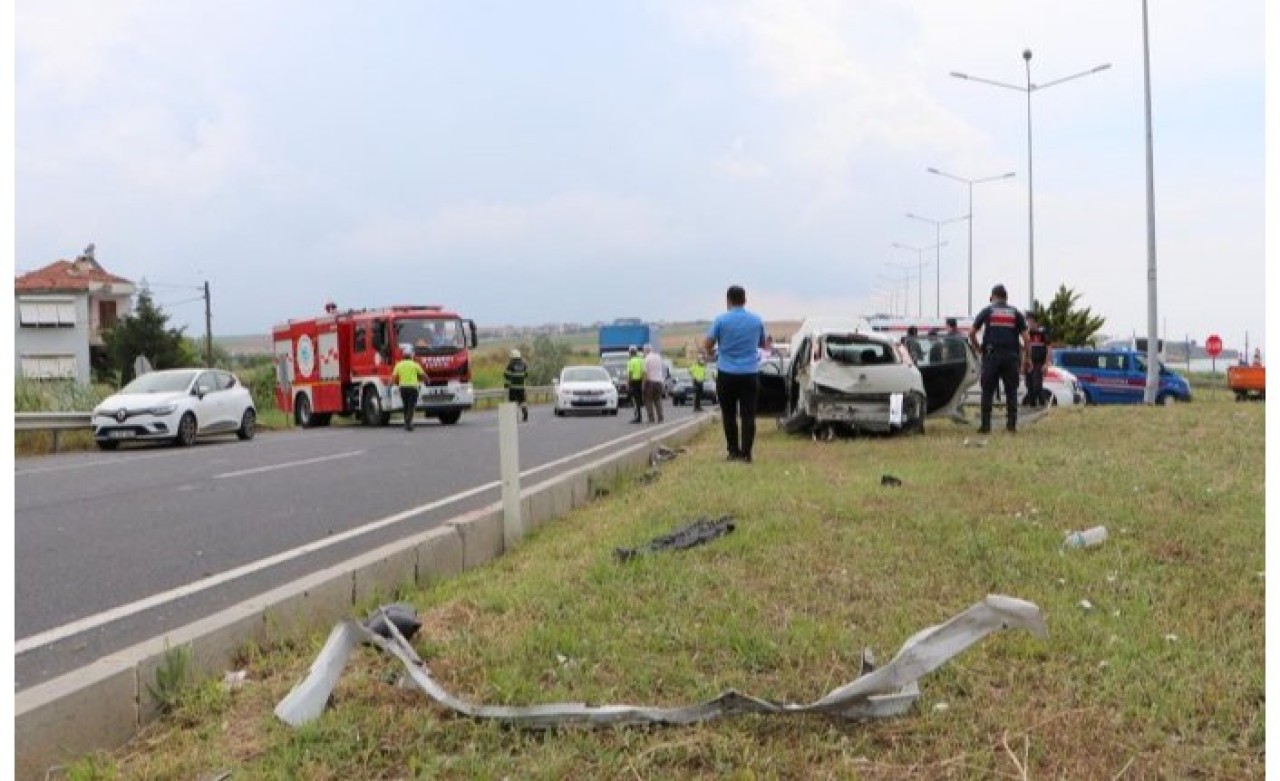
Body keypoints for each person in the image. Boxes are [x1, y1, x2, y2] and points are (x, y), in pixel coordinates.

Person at [703, 284, 766, 463]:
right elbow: (762, 344)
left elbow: (707, 344)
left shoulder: (721, 320)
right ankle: (746, 454)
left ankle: (733, 451)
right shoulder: (756, 320)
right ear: (745, 300)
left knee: (729, 414)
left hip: (726, 373)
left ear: (728, 301)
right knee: (748, 415)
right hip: (750, 374)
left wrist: (712, 353)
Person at [969, 284, 1029, 434]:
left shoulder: (987, 311)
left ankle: (985, 426)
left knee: (987, 392)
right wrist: (1026, 358)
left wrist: (979, 349)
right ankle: (1011, 425)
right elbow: (1027, 340)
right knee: (1011, 392)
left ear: (992, 297)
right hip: (1011, 358)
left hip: (991, 357)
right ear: (1006, 298)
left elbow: (971, 333)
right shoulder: (1016, 313)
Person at [390, 350, 427, 431]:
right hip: (413, 388)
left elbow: (393, 377)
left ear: (403, 356)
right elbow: (423, 374)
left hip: (403, 388)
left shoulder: (399, 365)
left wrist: (391, 384)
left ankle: (407, 423)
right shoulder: (415, 364)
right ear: (411, 356)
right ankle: (408, 424)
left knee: (406, 406)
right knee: (411, 406)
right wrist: (427, 380)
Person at [1025, 314, 1051, 408]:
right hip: (1028, 362)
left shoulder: (1042, 333)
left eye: (1030, 322)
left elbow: (1048, 348)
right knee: (1029, 386)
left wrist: (1046, 364)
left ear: (1035, 322)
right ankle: (1033, 405)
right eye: (1027, 322)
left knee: (1037, 385)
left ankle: (1043, 403)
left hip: (1039, 362)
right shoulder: (1026, 334)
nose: (1029, 324)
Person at [503, 349, 529, 422]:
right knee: (522, 401)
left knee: (513, 402)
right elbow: (526, 375)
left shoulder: (510, 365)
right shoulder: (524, 364)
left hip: (513, 387)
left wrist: (507, 384)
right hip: (521, 387)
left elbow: (506, 375)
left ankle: (515, 417)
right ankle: (525, 413)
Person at [642, 344, 665, 423]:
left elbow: (645, 373)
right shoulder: (658, 357)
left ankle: (651, 418)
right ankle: (660, 417)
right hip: (659, 381)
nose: (643, 352)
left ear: (646, 350)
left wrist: (643, 385)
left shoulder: (646, 359)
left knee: (648, 400)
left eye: (644, 351)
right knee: (658, 400)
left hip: (650, 382)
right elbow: (661, 369)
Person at [626, 346, 645, 423]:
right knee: (639, 399)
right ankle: (639, 416)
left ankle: (638, 417)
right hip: (640, 381)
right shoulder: (641, 360)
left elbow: (630, 373)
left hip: (634, 381)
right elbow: (643, 372)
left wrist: (628, 384)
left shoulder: (630, 362)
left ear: (630, 353)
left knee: (635, 400)